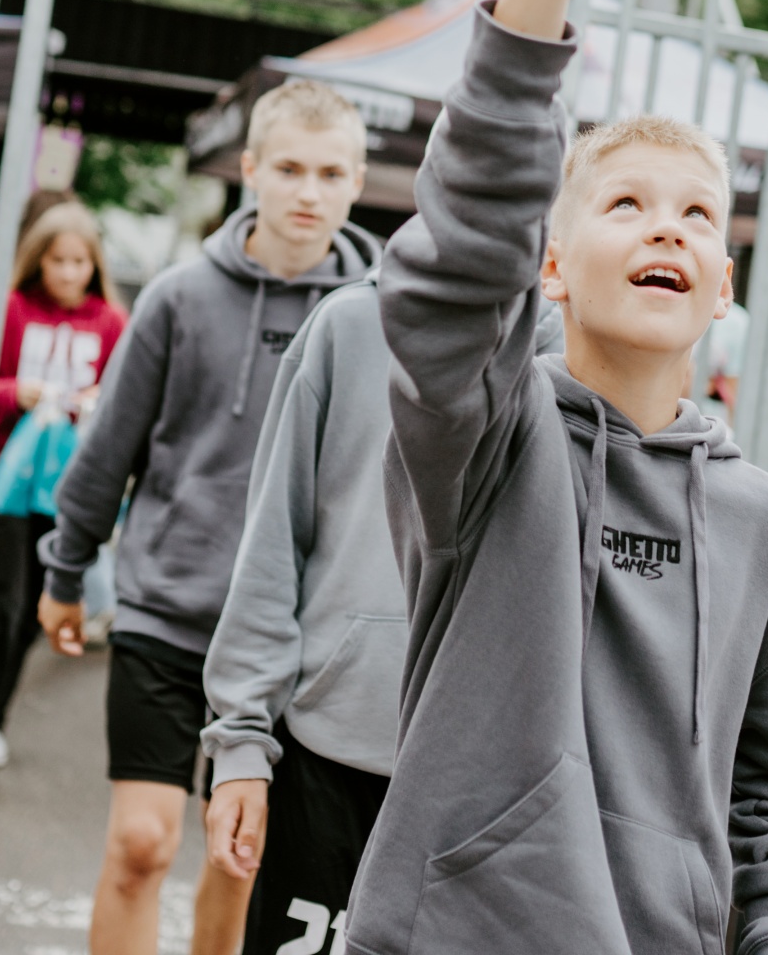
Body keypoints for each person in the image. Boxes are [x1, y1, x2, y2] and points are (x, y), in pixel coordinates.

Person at [347, 0, 768, 953]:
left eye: (698, 214)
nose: (667, 227)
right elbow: (455, 270)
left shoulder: (766, 521)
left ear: (723, 287)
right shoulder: (485, 442)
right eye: (625, 204)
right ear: (553, 266)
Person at [38, 78, 380, 955]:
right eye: (290, 169)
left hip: (290, 644)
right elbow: (107, 449)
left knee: (239, 860)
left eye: (331, 173)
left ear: (358, 181)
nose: (309, 192)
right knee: (141, 846)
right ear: (250, 170)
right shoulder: (179, 297)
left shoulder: (380, 320)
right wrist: (65, 572)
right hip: (169, 614)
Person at [199, 281, 566, 951]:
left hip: (491, 791)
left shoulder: (577, 353)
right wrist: (242, 740)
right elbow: (274, 538)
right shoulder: (347, 325)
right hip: (326, 753)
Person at [0, 201, 126, 794]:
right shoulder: (9, 310)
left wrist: (99, 403)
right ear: (37, 260)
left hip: (70, 490)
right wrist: (15, 391)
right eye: (57, 261)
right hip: (6, 480)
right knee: (0, 602)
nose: (68, 273)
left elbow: (130, 398)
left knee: (34, 611)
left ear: (94, 266)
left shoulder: (113, 324)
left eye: (79, 262)